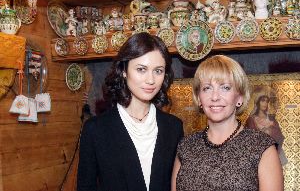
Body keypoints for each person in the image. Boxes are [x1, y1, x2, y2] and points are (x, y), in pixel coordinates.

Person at [77, 32, 184, 191]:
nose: (151, 80)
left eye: (158, 71)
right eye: (141, 69)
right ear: (124, 70)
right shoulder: (95, 129)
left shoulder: (173, 127)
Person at [171, 55, 283, 191]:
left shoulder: (261, 147)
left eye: (225, 88)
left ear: (240, 97)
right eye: (207, 88)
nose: (215, 97)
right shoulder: (186, 147)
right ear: (199, 98)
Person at [246, 91, 288, 166]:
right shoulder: (251, 120)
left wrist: (271, 129)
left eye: (267, 101)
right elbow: (248, 138)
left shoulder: (272, 119)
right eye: (262, 101)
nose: (265, 103)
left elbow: (280, 137)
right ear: (258, 102)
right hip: (257, 155)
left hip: (273, 152)